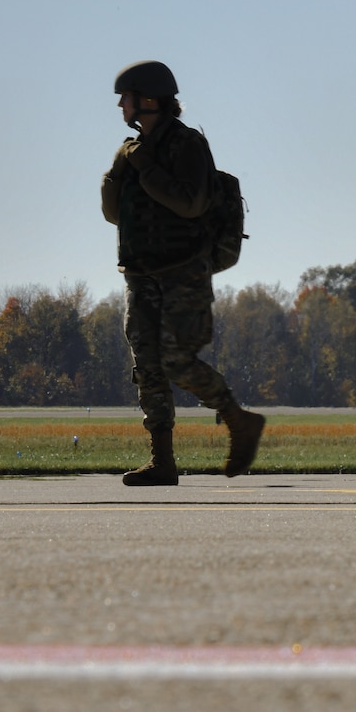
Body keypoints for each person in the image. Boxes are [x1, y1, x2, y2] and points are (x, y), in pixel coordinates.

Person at [100, 61, 263, 486]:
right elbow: (112, 213)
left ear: (148, 99)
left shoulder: (187, 145)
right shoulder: (132, 150)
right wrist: (121, 167)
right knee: (147, 365)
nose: (121, 104)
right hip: (140, 274)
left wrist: (145, 168)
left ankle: (238, 420)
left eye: (127, 96)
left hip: (182, 273)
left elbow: (190, 204)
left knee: (175, 360)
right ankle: (162, 462)